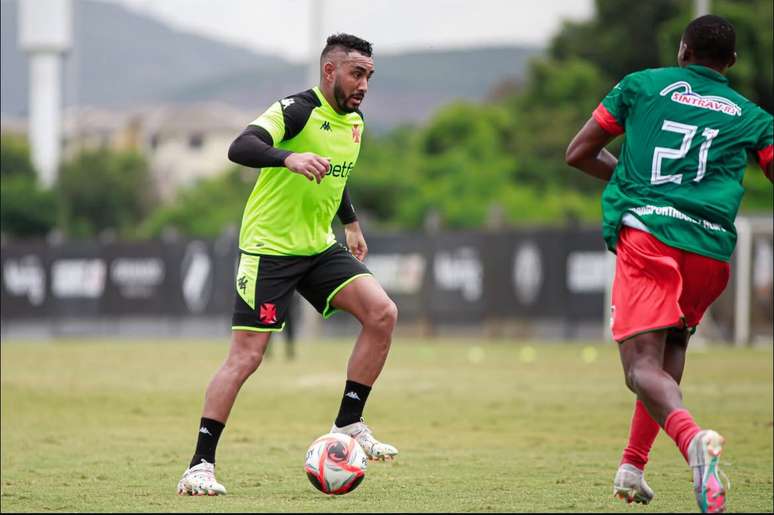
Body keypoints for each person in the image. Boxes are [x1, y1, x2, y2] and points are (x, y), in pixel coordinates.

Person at [566, 14, 772, 513]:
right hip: (710, 249)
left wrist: (632, 186)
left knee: (639, 368)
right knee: (667, 353)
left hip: (651, 236)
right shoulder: (752, 115)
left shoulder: (641, 86)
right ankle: (632, 466)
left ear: (682, 51)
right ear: (732, 63)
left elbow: (579, 152)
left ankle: (693, 442)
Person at [177, 33, 399, 496]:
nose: (363, 85)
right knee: (246, 358)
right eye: (357, 74)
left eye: (369, 76)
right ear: (329, 71)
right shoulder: (296, 109)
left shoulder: (355, 122)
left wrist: (351, 223)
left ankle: (349, 423)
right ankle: (199, 466)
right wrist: (287, 156)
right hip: (269, 250)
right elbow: (240, 146)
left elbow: (335, 176)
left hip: (317, 247)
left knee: (382, 313)